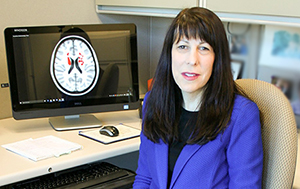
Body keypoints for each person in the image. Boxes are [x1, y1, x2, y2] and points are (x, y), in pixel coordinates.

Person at [133, 7, 263, 189]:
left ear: (217, 58)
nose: (192, 60)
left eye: (203, 48)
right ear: (170, 54)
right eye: (182, 46)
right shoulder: (153, 102)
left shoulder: (241, 116)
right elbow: (145, 178)